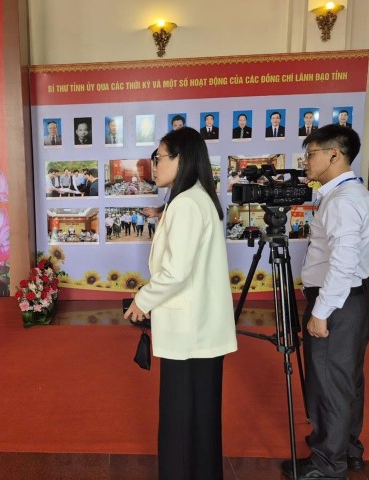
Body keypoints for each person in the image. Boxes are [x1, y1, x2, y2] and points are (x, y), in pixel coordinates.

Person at [123, 127, 237, 480]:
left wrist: (142, 300)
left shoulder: (186, 203)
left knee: (179, 419)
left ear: (181, 159)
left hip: (188, 332)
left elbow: (176, 272)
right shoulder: (197, 198)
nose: (154, 165)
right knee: (202, 419)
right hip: (200, 328)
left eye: (158, 157)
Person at [280, 125, 369, 480]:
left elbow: (343, 264)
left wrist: (321, 312)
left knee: (329, 385)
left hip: (336, 301)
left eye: (311, 154)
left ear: (334, 155)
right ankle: (347, 449)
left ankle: (327, 465)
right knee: (347, 380)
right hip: (352, 299)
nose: (306, 162)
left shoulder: (342, 202)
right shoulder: (356, 195)